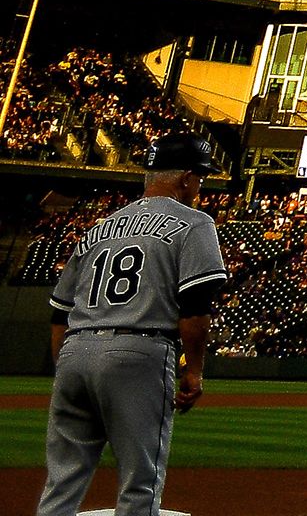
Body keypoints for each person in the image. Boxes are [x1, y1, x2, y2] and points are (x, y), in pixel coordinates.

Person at [40, 133, 230, 516]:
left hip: (75, 349)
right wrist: (194, 371)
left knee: (62, 481)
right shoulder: (194, 223)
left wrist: (69, 366)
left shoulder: (99, 228)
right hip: (137, 350)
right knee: (140, 482)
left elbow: (60, 311)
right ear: (186, 178)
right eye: (201, 177)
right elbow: (195, 308)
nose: (200, 186)